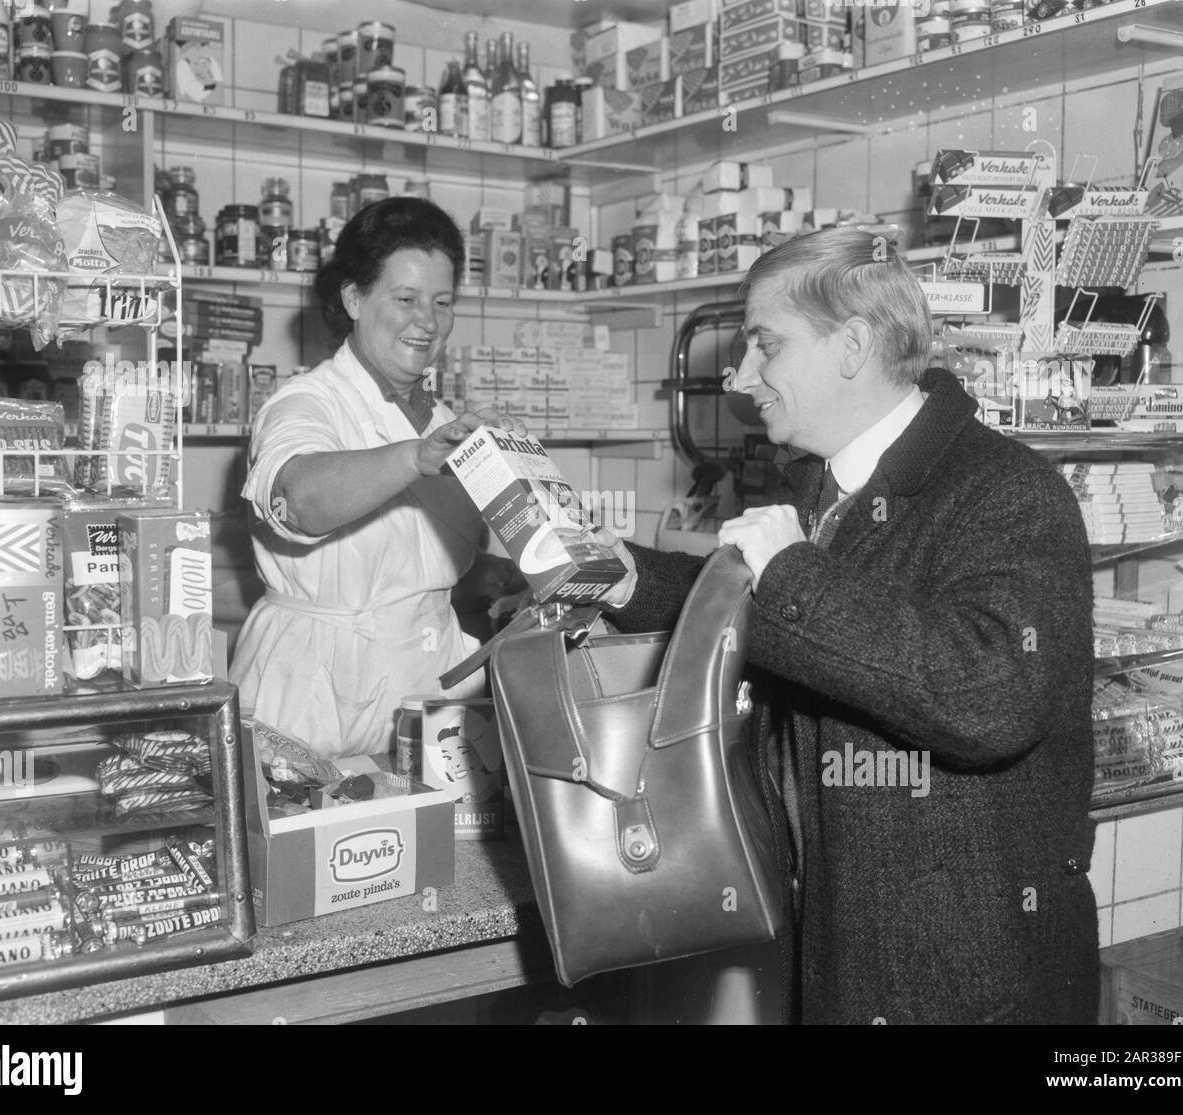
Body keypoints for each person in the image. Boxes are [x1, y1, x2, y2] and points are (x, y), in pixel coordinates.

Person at [596, 227, 1099, 1025]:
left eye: (765, 345)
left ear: (853, 346)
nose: (740, 375)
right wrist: (617, 572)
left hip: (961, 979)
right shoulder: (823, 490)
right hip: (838, 944)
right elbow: (766, 624)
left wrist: (792, 572)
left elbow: (990, 694)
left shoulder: (1007, 491)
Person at [231, 197, 525, 759]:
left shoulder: (443, 421)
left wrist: (507, 574)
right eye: (406, 299)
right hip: (314, 696)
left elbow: (410, 554)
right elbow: (299, 499)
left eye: (443, 301)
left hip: (433, 693)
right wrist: (415, 457)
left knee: (441, 847)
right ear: (354, 298)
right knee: (325, 843)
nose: (429, 322)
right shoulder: (303, 404)